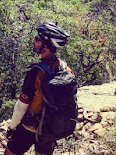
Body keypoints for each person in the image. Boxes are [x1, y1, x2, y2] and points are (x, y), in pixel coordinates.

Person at [5, 22, 73, 155]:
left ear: (46, 45)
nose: (33, 41)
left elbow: (22, 106)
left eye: (37, 39)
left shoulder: (36, 73)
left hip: (31, 127)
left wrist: (12, 127)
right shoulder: (67, 70)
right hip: (51, 128)